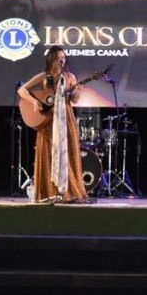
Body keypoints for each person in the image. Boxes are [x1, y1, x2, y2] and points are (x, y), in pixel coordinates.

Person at [18, 46, 88, 203]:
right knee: (48, 152)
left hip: (66, 118)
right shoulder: (44, 76)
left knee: (68, 152)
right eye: (58, 57)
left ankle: (68, 192)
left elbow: (74, 100)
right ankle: (48, 191)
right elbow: (22, 90)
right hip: (48, 119)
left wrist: (78, 90)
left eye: (63, 57)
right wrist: (35, 102)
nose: (61, 60)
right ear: (51, 59)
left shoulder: (70, 77)